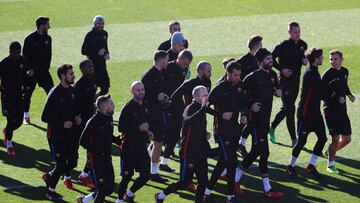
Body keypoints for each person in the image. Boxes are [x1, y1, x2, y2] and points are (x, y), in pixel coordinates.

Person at [155, 86, 217, 203]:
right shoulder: (190, 108)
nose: (206, 98)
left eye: (207, 95)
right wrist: (203, 109)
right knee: (184, 182)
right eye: (204, 95)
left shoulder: (201, 108)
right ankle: (161, 196)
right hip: (188, 153)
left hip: (200, 152)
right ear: (195, 96)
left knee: (203, 181)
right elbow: (189, 120)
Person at [236, 48, 283, 199]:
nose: (271, 61)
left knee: (256, 151)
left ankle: (235, 179)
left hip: (265, 120)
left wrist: (277, 91)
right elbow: (240, 96)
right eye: (268, 59)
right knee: (264, 152)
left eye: (271, 59)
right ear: (261, 61)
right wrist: (250, 105)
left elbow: (276, 88)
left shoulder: (273, 75)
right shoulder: (251, 77)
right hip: (254, 121)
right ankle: (267, 188)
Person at [205, 61, 247, 203]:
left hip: (235, 129)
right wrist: (220, 114)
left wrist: (243, 114)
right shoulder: (219, 88)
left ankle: (207, 190)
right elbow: (204, 106)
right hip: (222, 130)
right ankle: (230, 196)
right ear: (228, 73)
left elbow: (243, 103)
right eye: (235, 75)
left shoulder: (240, 85)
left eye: (239, 75)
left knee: (222, 161)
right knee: (231, 161)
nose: (237, 77)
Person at [41, 64, 81, 200]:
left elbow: (74, 108)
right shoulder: (55, 93)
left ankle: (50, 175)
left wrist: (76, 117)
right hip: (56, 136)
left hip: (70, 134)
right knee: (62, 164)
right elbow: (44, 116)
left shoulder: (72, 91)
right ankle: (50, 191)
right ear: (62, 76)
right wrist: (62, 123)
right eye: (71, 73)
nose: (74, 75)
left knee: (73, 163)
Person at [286, 48, 327, 179]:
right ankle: (290, 166)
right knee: (301, 142)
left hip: (315, 113)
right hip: (305, 114)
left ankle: (311, 165)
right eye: (321, 56)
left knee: (323, 138)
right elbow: (320, 92)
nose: (323, 58)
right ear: (316, 59)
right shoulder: (311, 74)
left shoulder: (313, 71)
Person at [269, 22, 308, 146]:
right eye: (295, 32)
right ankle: (294, 139)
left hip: (296, 81)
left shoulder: (303, 45)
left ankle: (272, 126)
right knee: (291, 109)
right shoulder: (283, 45)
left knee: (286, 108)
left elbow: (304, 60)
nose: (297, 34)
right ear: (289, 32)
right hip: (284, 82)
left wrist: (306, 60)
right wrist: (282, 69)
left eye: (299, 32)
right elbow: (270, 59)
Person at [77, 96, 120, 203]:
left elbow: (107, 135)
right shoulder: (93, 121)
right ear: (104, 107)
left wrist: (117, 140)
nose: (113, 105)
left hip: (106, 158)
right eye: (111, 104)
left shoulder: (109, 118)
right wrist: (96, 149)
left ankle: (83, 201)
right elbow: (82, 141)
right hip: (95, 160)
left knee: (109, 189)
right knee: (101, 191)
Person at [116, 81, 152, 203]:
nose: (141, 92)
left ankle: (129, 193)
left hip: (141, 147)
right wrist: (138, 128)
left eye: (142, 89)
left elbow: (146, 123)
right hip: (129, 147)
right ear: (131, 92)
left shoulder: (146, 105)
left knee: (146, 175)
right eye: (137, 90)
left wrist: (148, 132)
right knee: (126, 177)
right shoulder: (127, 108)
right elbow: (121, 127)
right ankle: (119, 200)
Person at [321, 50, 355, 174]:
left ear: (341, 60)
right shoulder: (327, 75)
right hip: (330, 111)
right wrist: (336, 97)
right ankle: (330, 164)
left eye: (335, 59)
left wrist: (349, 95)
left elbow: (344, 85)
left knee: (347, 139)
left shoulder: (345, 71)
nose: (332, 61)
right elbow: (322, 94)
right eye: (331, 59)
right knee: (335, 139)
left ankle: (329, 152)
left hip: (342, 110)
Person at [160, 50, 193, 172]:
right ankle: (155, 157)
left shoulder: (183, 70)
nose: (185, 66)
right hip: (167, 105)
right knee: (166, 135)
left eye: (187, 64)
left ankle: (163, 162)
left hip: (178, 106)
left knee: (174, 135)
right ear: (179, 58)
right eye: (184, 63)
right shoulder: (168, 68)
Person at [141, 50, 169, 183]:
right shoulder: (149, 75)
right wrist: (156, 97)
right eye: (167, 60)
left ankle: (150, 169)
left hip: (156, 113)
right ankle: (153, 172)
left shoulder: (158, 74)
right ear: (162, 60)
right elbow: (141, 95)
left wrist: (163, 97)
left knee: (157, 142)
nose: (168, 62)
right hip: (150, 114)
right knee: (157, 143)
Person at [23, 16, 53, 124]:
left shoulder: (48, 39)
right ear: (41, 25)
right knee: (27, 94)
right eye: (47, 24)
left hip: (44, 72)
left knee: (52, 92)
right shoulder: (30, 39)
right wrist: (29, 70)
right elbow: (25, 57)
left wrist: (46, 68)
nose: (49, 26)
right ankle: (26, 115)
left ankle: (53, 113)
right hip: (32, 73)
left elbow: (49, 55)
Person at [0, 41, 28, 155]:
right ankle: (9, 144)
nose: (17, 55)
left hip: (18, 95)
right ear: (10, 51)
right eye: (14, 53)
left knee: (19, 121)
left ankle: (7, 131)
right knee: (11, 119)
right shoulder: (3, 64)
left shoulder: (23, 60)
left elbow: (26, 74)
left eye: (18, 53)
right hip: (7, 97)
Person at [237, 36, 263, 156]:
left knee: (251, 122)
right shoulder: (243, 61)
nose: (261, 47)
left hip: (257, 97)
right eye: (260, 45)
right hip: (245, 97)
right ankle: (238, 144)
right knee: (246, 121)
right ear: (254, 46)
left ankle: (241, 144)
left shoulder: (259, 60)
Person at [74, 59, 97, 189]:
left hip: (90, 120)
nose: (92, 68)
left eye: (92, 65)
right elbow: (75, 103)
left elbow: (90, 99)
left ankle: (84, 174)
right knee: (74, 149)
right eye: (89, 67)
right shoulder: (79, 84)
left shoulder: (92, 81)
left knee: (92, 148)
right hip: (81, 122)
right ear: (82, 69)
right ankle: (66, 174)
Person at [81, 15, 110, 96]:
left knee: (105, 88)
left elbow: (105, 46)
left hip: (102, 65)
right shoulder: (89, 35)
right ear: (94, 24)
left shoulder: (105, 34)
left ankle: (96, 99)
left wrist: (107, 53)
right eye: (98, 23)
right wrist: (97, 53)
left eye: (102, 23)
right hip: (92, 66)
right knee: (92, 88)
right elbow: (83, 51)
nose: (100, 25)